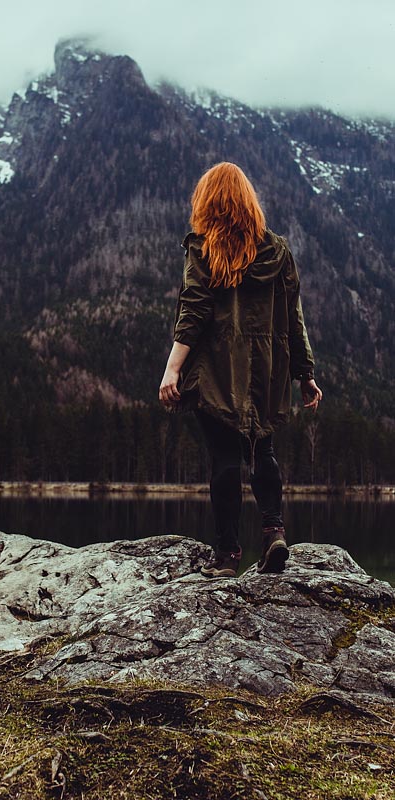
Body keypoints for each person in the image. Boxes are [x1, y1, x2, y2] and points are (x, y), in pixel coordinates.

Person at [159, 162, 323, 578]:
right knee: (262, 449)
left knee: (225, 458)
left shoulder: (203, 248)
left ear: (208, 202)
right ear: (248, 202)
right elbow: (293, 318)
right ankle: (273, 531)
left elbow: (193, 310)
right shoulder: (278, 250)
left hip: (216, 370)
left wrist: (172, 369)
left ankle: (229, 556)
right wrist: (305, 374)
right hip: (268, 370)